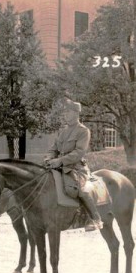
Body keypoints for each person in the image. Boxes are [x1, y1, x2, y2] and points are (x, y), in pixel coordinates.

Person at [45, 99, 103, 231]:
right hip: (59, 166)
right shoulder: (63, 131)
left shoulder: (83, 131)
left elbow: (79, 152)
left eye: (68, 112)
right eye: (65, 112)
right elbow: (53, 148)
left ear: (76, 113)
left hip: (76, 168)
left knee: (78, 190)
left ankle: (95, 219)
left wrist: (60, 160)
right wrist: (48, 158)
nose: (65, 115)